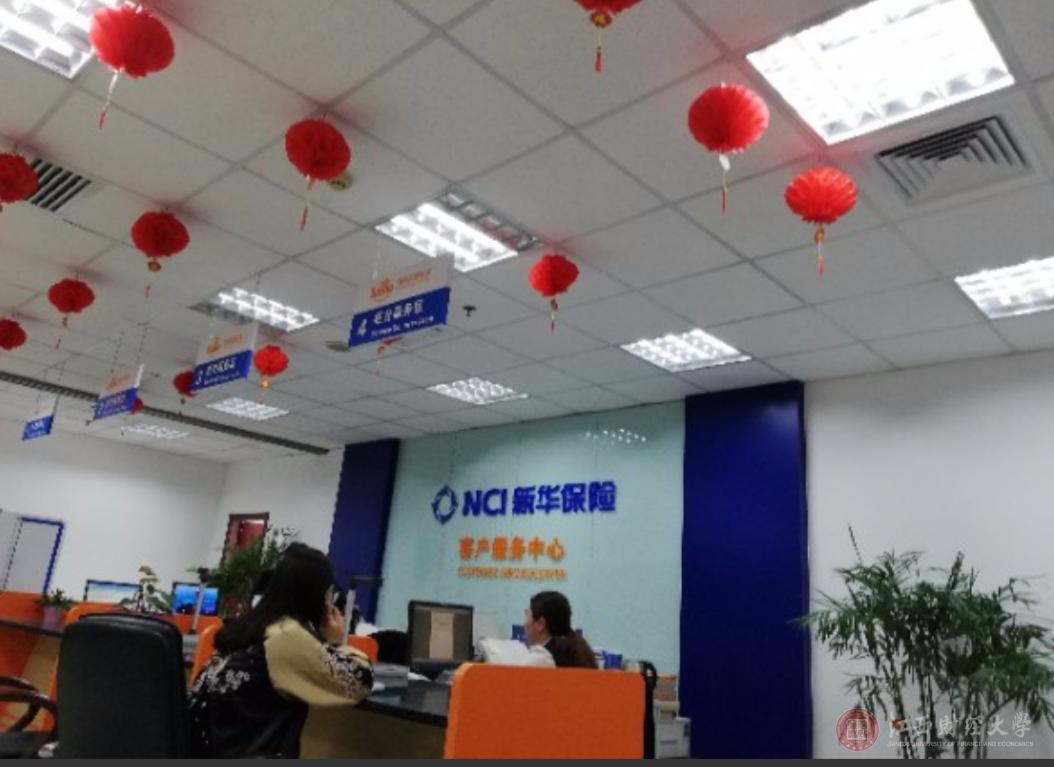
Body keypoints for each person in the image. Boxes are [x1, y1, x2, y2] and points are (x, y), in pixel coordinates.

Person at [188, 544, 373, 758]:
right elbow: (358, 681)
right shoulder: (287, 635)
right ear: (317, 597)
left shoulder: (249, 626)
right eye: (329, 595)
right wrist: (336, 643)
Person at [521, 591, 598, 669]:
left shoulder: (540, 659)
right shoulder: (576, 648)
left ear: (541, 624)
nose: (524, 623)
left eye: (527, 614)